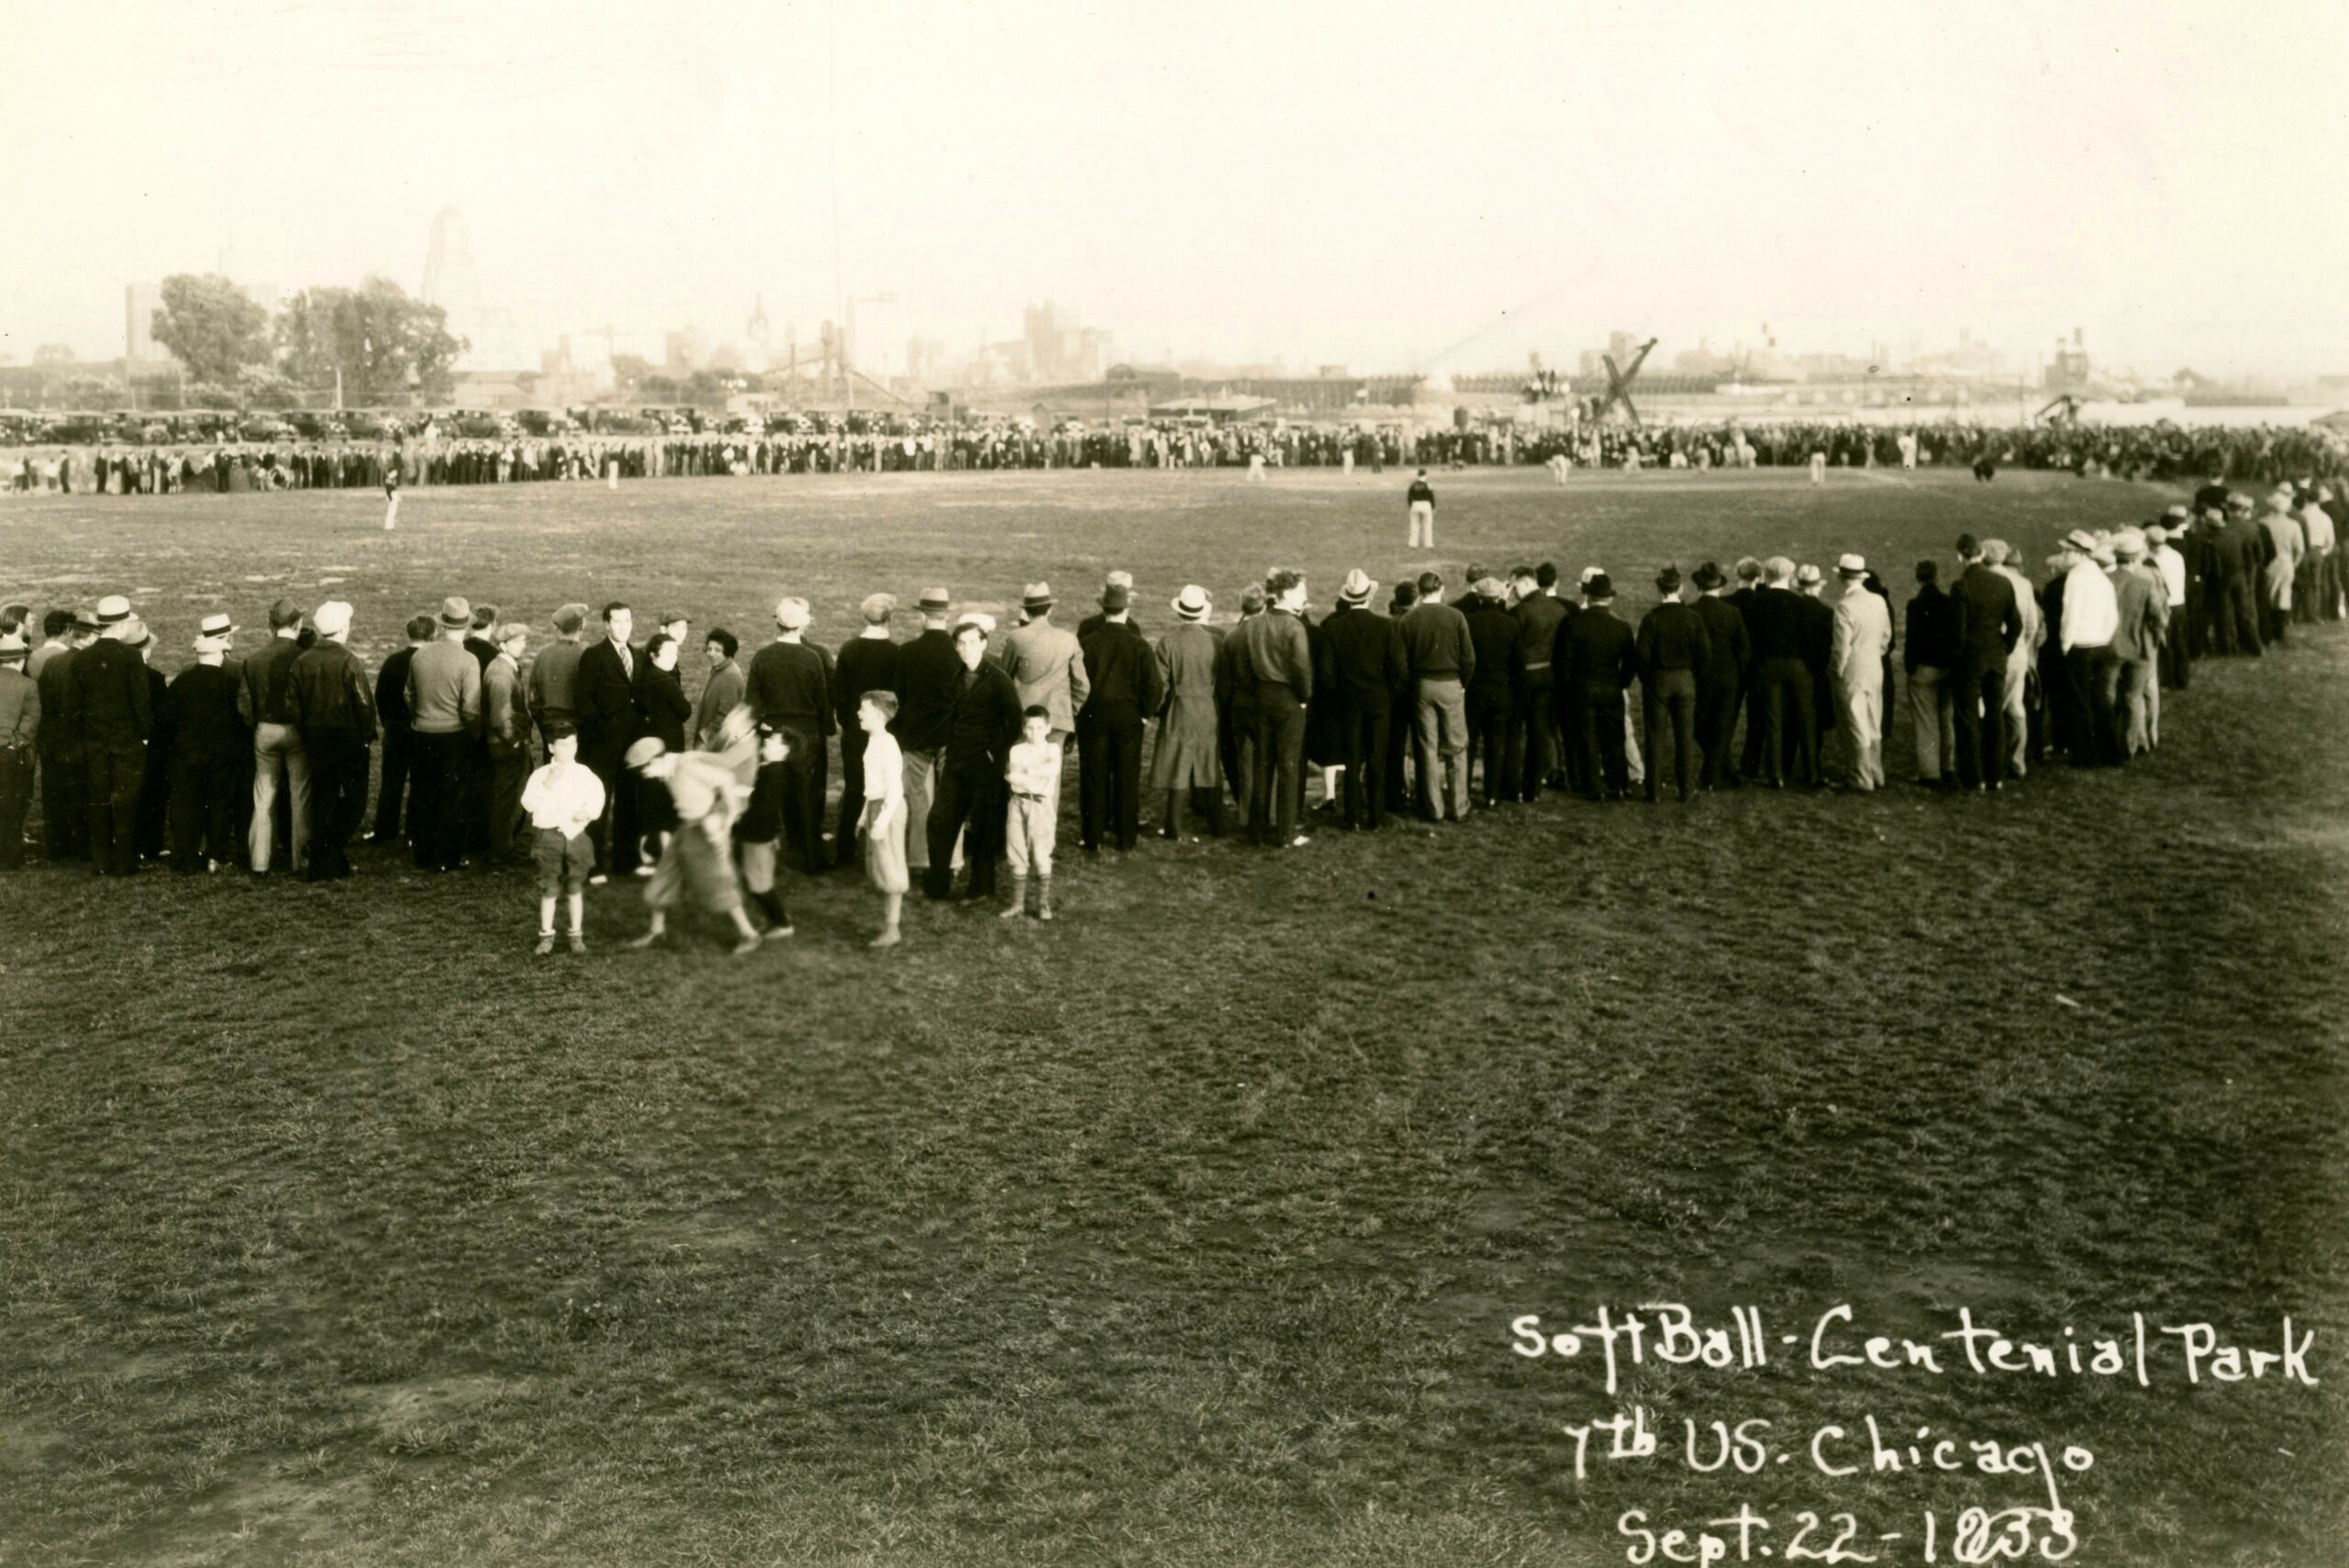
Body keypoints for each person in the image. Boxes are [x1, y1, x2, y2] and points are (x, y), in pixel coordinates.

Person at [623, 737, 763, 956]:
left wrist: (729, 817)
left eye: (644, 770)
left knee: (716, 883)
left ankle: (749, 933)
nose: (644, 776)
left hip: (705, 832)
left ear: (654, 762)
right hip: (686, 830)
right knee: (664, 876)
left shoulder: (686, 767)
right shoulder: (669, 770)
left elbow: (726, 778)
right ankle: (657, 930)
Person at [925, 616, 1021, 902]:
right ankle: (938, 884)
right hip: (956, 762)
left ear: (984, 643)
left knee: (983, 827)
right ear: (956, 647)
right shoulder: (955, 676)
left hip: (985, 766)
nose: (966, 648)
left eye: (971, 642)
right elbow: (951, 717)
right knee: (940, 820)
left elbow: (1014, 722)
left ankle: (981, 887)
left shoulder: (999, 679)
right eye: (961, 643)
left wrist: (994, 752)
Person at [744, 596, 835, 872]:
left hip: (773, 734)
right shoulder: (811, 658)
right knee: (805, 797)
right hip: (805, 734)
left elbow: (752, 703)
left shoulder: (762, 657)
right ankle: (810, 857)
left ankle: (764, 857)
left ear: (778, 624)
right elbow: (822, 702)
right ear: (800, 626)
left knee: (770, 794)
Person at [287, 600, 376, 881]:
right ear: (341, 629)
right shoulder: (349, 660)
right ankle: (326, 851)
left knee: (324, 799)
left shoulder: (302, 661)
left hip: (316, 740)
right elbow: (364, 704)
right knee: (354, 802)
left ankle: (323, 858)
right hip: (349, 740)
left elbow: (293, 706)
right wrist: (366, 737)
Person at [66, 597, 153, 876]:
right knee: (126, 802)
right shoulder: (131, 657)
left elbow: (74, 707)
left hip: (95, 741)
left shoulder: (81, 658)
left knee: (98, 801)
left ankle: (100, 862)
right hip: (127, 742)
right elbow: (141, 703)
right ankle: (124, 862)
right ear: (124, 623)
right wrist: (144, 736)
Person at [1076, 583, 1162, 853]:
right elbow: (1154, 687)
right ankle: (1126, 838)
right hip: (1128, 718)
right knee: (1126, 776)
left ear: (1103, 608)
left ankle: (1093, 838)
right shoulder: (1139, 645)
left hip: (1093, 716)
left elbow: (1077, 681)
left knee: (1093, 776)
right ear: (1127, 609)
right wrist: (1145, 715)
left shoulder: (1087, 644)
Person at [1236, 569, 1315, 848]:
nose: (1305, 597)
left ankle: (1256, 832)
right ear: (1289, 593)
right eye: (1302, 593)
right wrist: (1304, 697)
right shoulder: (1294, 627)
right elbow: (1301, 668)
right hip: (1288, 700)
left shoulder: (1255, 623)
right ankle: (1285, 833)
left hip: (1261, 697)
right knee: (1289, 767)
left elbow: (1244, 667)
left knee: (1262, 765)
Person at [406, 595, 485, 873]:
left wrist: (421, 715)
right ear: (465, 627)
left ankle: (424, 855)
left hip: (423, 732)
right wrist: (474, 733)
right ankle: (448, 857)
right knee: (454, 797)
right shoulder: (468, 660)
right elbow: (471, 707)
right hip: (454, 735)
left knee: (425, 793)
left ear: (441, 624)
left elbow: (409, 694)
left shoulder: (420, 654)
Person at [162, 616, 245, 873]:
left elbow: (166, 721)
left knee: (186, 805)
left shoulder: (181, 683)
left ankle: (186, 856)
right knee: (220, 805)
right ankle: (215, 856)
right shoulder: (230, 683)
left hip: (186, 756)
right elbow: (239, 720)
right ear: (220, 654)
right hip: (222, 756)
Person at [1000, 581, 1088, 820]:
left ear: (1026, 611)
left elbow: (1003, 678)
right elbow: (1082, 685)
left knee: (1019, 773)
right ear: (1049, 609)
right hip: (1056, 720)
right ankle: (1045, 834)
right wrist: (1071, 711)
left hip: (1024, 719)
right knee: (1051, 780)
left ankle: (1018, 827)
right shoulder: (1068, 639)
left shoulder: (1016, 637)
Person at [239, 597, 312, 876]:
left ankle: (259, 862)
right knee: (300, 796)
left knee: (263, 797)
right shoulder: (303, 657)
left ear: (271, 625)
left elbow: (244, 706)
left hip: (264, 731)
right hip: (295, 732)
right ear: (298, 624)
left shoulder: (253, 659)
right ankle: (301, 861)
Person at [892, 588, 961, 882]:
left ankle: (919, 858)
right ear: (947, 615)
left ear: (922, 616)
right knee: (949, 800)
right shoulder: (959, 651)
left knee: (919, 798)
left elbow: (899, 697)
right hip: (951, 737)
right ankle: (952, 860)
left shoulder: (908, 651)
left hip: (916, 737)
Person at [575, 601, 647, 880]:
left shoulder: (637, 656)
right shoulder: (594, 656)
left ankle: (626, 859)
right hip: (603, 745)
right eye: (617, 621)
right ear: (606, 625)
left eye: (627, 620)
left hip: (631, 745)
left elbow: (640, 698)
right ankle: (593, 865)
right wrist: (601, 734)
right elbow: (583, 701)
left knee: (629, 801)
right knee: (598, 803)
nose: (623, 626)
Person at [520, 719, 602, 955]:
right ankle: (546, 936)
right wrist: (547, 784)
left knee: (575, 885)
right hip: (549, 837)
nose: (570, 750)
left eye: (573, 745)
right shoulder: (541, 775)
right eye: (563, 745)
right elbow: (528, 804)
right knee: (549, 887)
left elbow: (597, 797)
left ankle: (576, 934)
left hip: (576, 835)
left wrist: (588, 812)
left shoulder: (584, 774)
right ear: (551, 748)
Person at [1152, 584, 1227, 839]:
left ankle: (1173, 826)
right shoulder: (1216, 641)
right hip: (1208, 707)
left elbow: (1159, 684)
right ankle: (1217, 825)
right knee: (1209, 763)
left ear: (1179, 612)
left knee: (1178, 765)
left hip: (1180, 708)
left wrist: (1160, 710)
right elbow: (1224, 680)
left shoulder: (1168, 642)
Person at [1400, 571, 1474, 821]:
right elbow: (1469, 658)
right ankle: (1459, 805)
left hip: (1422, 686)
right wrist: (1462, 683)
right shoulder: (1456, 616)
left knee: (1427, 748)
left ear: (1419, 593)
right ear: (1440, 589)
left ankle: (1434, 808)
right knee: (1456, 747)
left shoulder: (1408, 620)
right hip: (1451, 684)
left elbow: (1402, 663)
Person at [834, 595, 900, 865]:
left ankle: (845, 849)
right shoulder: (896, 652)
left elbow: (839, 695)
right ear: (890, 618)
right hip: (884, 733)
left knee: (853, 788)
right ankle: (879, 848)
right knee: (884, 789)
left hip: (854, 730)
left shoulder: (849, 649)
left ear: (865, 618)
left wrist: (850, 722)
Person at [1634, 566, 1709, 802]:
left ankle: (1653, 792)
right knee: (1685, 737)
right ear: (1681, 588)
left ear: (1659, 589)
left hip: (1659, 680)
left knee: (1655, 737)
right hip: (1685, 680)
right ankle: (1686, 790)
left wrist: (1650, 680)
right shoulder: (1693, 618)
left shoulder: (1652, 619)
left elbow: (1642, 657)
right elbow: (1705, 654)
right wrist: (1692, 676)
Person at [1560, 573, 1636, 799]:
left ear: (1588, 596)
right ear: (1609, 599)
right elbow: (1631, 664)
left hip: (1583, 689)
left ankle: (1593, 787)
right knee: (1614, 738)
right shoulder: (1621, 627)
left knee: (1588, 738)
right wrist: (1621, 682)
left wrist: (1571, 688)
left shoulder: (1573, 624)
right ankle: (1619, 784)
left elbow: (1564, 665)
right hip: (1612, 688)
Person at [2055, 529, 2123, 767]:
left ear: (2078, 553)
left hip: (2080, 646)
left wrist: (2065, 645)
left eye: (2066, 551)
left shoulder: (2076, 577)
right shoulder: (2101, 577)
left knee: (2080, 701)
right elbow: (2113, 617)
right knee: (2101, 700)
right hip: (2101, 645)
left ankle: (2085, 755)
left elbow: (2070, 615)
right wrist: (2103, 637)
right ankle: (2111, 752)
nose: (2063, 556)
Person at [1829, 555, 1891, 791]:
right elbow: (1886, 637)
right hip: (1874, 666)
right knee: (1874, 719)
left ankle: (1860, 777)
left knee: (1855, 722)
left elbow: (1841, 647)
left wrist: (1837, 670)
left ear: (1841, 577)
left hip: (1853, 669)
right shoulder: (1878, 601)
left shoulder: (1844, 606)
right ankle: (1876, 772)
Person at [730, 719, 796, 940]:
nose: (768, 741)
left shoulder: (774, 774)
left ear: (785, 750)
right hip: (758, 834)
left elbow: (764, 808)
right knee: (753, 880)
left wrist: (738, 819)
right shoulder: (771, 768)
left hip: (756, 835)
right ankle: (775, 917)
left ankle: (782, 923)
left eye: (775, 741)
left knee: (758, 885)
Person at [371, 616, 432, 845]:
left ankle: (385, 830)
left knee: (391, 782)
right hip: (422, 728)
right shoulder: (429, 661)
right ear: (432, 635)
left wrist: (388, 722)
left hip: (396, 729)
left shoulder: (393, 661)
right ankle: (414, 832)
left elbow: (380, 696)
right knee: (420, 781)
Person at [35, 611, 92, 862]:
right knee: (80, 794)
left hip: (52, 738)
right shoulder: (86, 664)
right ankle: (81, 848)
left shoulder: (52, 663)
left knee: (54, 795)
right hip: (78, 739)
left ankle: (57, 848)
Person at [1687, 562, 1749, 791]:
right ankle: (1721, 771)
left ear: (1698, 586)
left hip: (1700, 676)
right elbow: (1744, 649)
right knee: (1722, 725)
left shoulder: (1691, 611)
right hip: (1727, 676)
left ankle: (1714, 773)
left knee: (1698, 725)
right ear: (1720, 588)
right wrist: (1738, 674)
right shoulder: (1732, 613)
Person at [854, 691, 909, 945]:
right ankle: (890, 925)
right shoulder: (874, 741)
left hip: (890, 808)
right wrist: (865, 815)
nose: (859, 714)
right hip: (878, 806)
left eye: (863, 710)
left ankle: (892, 929)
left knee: (891, 868)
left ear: (877, 715)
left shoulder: (887, 745)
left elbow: (895, 790)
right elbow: (873, 787)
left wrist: (881, 821)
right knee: (882, 867)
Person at [2109, 530, 2167, 756]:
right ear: (2136, 557)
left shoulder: (2106, 580)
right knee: (2136, 696)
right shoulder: (2147, 581)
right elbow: (2159, 616)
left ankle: (2111, 739)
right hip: (2141, 645)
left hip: (2112, 644)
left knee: (2111, 693)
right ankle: (2133, 743)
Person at [1462, 577, 1518, 808]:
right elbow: (1518, 662)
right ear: (1499, 597)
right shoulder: (1512, 624)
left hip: (1474, 690)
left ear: (1479, 597)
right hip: (1501, 689)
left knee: (1470, 743)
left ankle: (1462, 790)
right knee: (1496, 744)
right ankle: (1492, 793)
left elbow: (1463, 659)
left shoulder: (1468, 622)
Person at [1003, 705, 1061, 919]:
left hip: (1040, 806)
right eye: (1029, 728)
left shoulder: (1051, 749)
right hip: (1017, 803)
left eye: (1038, 728)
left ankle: (1043, 904)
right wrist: (1030, 776)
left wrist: (1024, 774)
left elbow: (1049, 771)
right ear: (1023, 728)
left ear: (1048, 728)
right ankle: (1017, 904)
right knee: (1016, 849)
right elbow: (1011, 778)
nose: (1033, 733)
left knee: (1041, 851)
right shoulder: (1017, 750)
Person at [1902, 562, 1958, 787]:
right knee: (1946, 719)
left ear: (1918, 578)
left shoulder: (1914, 605)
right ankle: (1948, 767)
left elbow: (1912, 640)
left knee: (1926, 722)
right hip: (1947, 667)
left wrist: (1910, 667)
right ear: (1936, 577)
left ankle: (1929, 772)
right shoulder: (1949, 603)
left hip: (1924, 668)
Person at [484, 621, 534, 864]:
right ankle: (501, 852)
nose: (523, 645)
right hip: (504, 745)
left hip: (503, 743)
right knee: (504, 799)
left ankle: (504, 847)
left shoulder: (504, 667)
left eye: (523, 640)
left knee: (505, 797)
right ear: (503, 645)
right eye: (517, 641)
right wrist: (514, 742)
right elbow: (499, 716)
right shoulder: (501, 673)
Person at [528, 603, 591, 748]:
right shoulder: (586, 655)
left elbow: (533, 698)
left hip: (548, 724)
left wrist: (543, 722)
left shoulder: (542, 654)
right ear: (581, 626)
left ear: (558, 627)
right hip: (579, 727)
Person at [0, 632, 36, 870]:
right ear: (21, 660)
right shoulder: (27, 684)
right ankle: (12, 858)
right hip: (10, 753)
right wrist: (16, 742)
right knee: (12, 805)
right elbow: (32, 719)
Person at [693, 628, 745, 749]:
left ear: (728, 652)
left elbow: (725, 716)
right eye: (709, 649)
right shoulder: (718, 668)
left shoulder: (730, 676)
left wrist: (705, 741)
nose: (711, 653)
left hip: (714, 745)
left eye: (718, 650)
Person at [1406, 468, 1436, 549]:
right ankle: (1428, 543)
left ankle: (1413, 543)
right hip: (1426, 505)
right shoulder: (1428, 485)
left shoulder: (1413, 485)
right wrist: (1433, 507)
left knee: (1414, 525)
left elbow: (1409, 497)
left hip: (1415, 504)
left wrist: (1410, 506)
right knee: (1427, 525)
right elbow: (1431, 497)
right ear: (1425, 475)